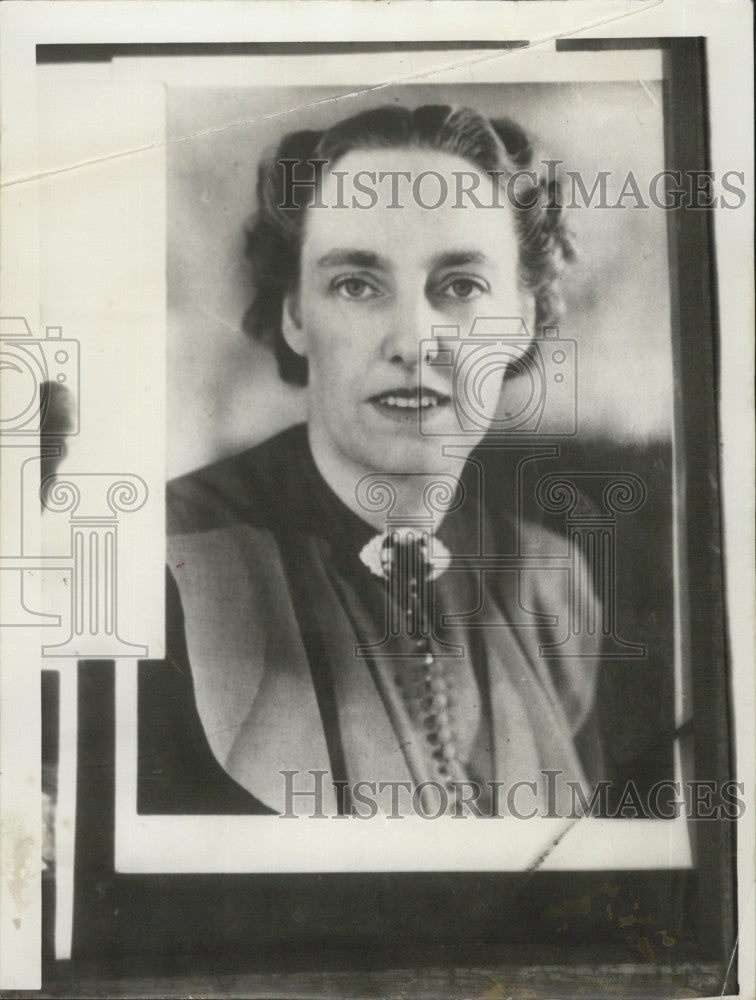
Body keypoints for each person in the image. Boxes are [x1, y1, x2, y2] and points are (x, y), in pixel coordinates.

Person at [142, 104, 604, 819]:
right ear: (296, 315)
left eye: (460, 286)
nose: (413, 341)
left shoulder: (550, 584)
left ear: (524, 317)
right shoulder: (165, 559)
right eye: (357, 285)